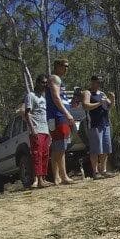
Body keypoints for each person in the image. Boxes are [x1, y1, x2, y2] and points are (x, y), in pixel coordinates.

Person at [45, 57, 77, 185]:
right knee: (61, 147)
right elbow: (56, 98)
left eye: (67, 66)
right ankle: (63, 177)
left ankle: (57, 177)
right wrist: (67, 113)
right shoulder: (54, 78)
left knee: (57, 147)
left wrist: (72, 104)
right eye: (64, 66)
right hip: (58, 116)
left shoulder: (58, 80)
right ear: (57, 66)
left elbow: (61, 99)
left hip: (58, 115)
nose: (66, 69)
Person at [23, 74, 52, 189]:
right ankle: (37, 179)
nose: (45, 85)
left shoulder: (43, 98)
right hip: (36, 129)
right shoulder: (31, 96)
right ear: (37, 83)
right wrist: (33, 129)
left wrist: (49, 131)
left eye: (46, 83)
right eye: (43, 82)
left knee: (45, 154)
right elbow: (27, 113)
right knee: (37, 154)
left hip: (45, 130)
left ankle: (43, 178)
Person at [84, 75, 115, 178]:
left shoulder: (102, 93)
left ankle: (104, 170)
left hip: (105, 123)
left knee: (105, 148)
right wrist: (99, 103)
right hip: (94, 124)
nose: (98, 84)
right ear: (92, 82)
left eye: (100, 82)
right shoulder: (88, 93)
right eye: (97, 82)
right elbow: (86, 105)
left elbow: (108, 107)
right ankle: (95, 171)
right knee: (96, 149)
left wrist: (112, 100)